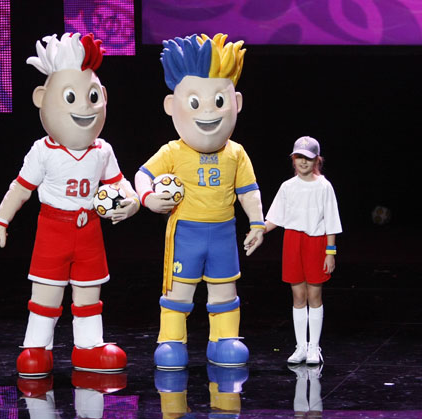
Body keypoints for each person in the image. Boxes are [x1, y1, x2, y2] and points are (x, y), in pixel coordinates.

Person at [0, 33, 139, 377]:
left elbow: (120, 184)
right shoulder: (43, 150)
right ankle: (36, 348)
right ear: (42, 98)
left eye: (92, 96)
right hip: (53, 228)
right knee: (47, 293)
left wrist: (131, 203)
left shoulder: (103, 150)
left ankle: (89, 348)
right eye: (71, 97)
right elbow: (20, 189)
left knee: (88, 293)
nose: (84, 106)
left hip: (90, 230)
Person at [134, 33, 265, 370]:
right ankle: (171, 341)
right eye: (195, 102)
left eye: (218, 102)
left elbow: (248, 191)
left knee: (224, 292)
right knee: (178, 293)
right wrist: (148, 198)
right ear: (171, 106)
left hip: (223, 232)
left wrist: (257, 222)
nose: (208, 111)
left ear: (235, 103)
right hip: (185, 233)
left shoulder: (236, 153)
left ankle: (224, 339)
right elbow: (143, 175)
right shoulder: (173, 151)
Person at [264, 136, 342, 365]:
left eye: (308, 158)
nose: (303, 162)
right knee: (298, 296)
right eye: (299, 157)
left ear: (317, 160)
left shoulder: (324, 186)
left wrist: (330, 251)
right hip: (292, 241)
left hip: (316, 243)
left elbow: (332, 220)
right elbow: (275, 218)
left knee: (314, 295)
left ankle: (314, 347)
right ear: (293, 159)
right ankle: (300, 347)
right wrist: (258, 231)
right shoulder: (287, 187)